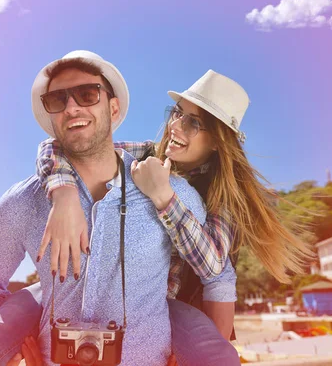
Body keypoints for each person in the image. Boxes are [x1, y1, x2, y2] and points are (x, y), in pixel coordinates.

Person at [0, 50, 239, 366]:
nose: (71, 108)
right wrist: (62, 191)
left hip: (173, 304)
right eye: (57, 101)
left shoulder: (200, 199)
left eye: (87, 95)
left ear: (114, 108)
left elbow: (217, 273)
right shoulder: (20, 204)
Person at [36, 69, 313, 340]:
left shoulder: (225, 196)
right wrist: (64, 195)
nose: (175, 126)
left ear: (217, 141)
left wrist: (163, 197)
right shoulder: (145, 154)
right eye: (177, 113)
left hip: (183, 314)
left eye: (192, 123)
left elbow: (214, 264)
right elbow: (59, 146)